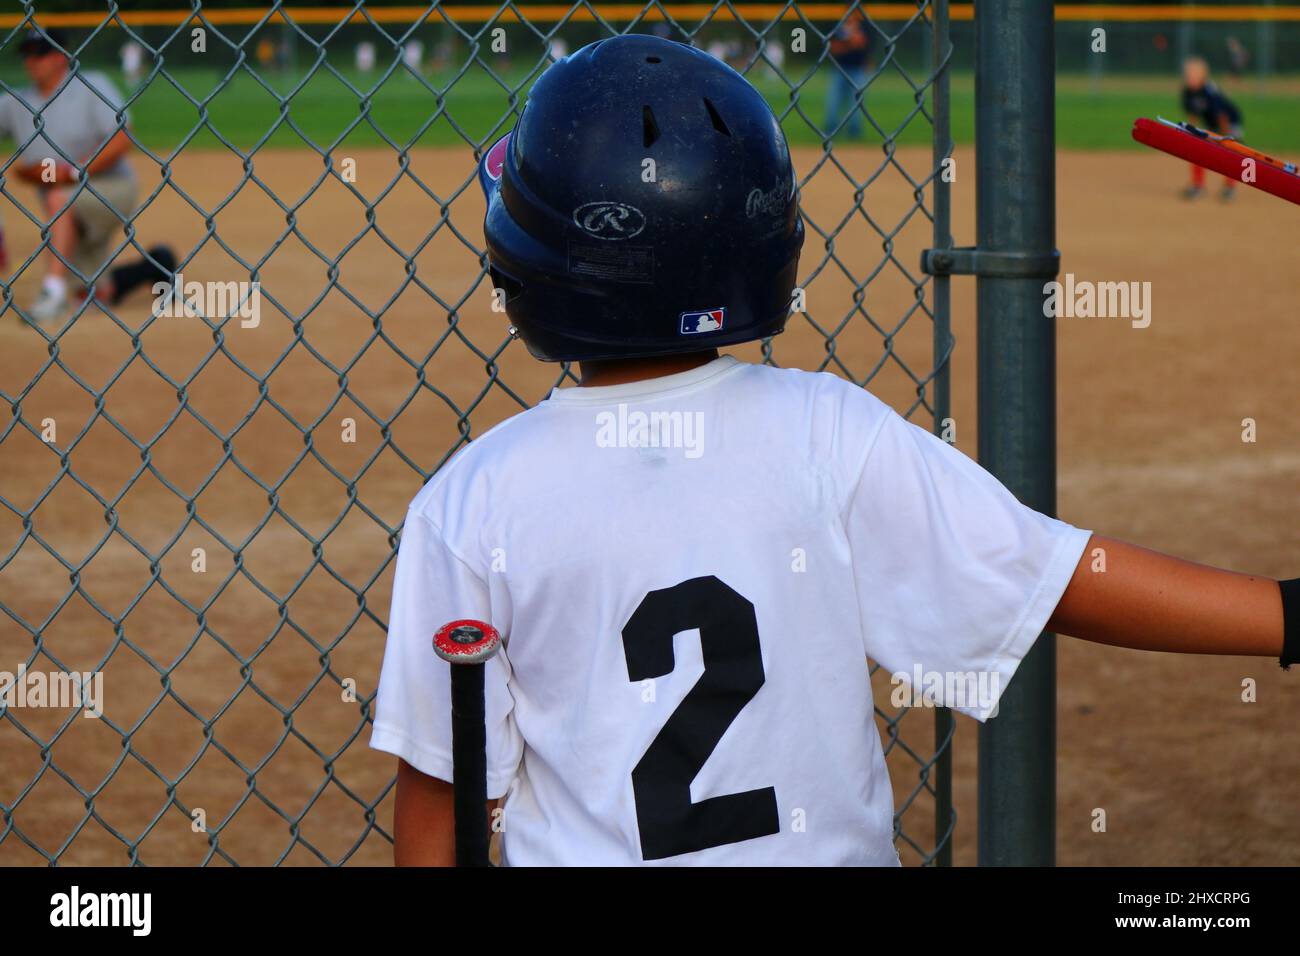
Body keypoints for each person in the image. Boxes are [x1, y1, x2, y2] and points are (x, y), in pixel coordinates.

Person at [371, 34, 1296, 866]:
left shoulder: (472, 504)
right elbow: (1058, 577)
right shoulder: (828, 432)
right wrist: (1288, 617)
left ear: (526, 265)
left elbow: (442, 822)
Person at [0, 29, 175, 325]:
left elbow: (121, 136)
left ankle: (51, 293)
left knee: (59, 197)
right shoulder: (16, 102)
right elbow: (36, 171)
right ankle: (157, 264)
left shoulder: (89, 85)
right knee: (93, 291)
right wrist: (37, 173)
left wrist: (72, 171)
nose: (32, 61)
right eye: (28, 54)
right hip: (63, 206)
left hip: (112, 187)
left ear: (61, 56)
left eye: (40, 53)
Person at [1180, 55, 1244, 201]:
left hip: (1230, 122)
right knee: (1196, 150)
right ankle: (1198, 186)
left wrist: (1225, 138)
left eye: (1194, 74)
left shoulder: (1209, 91)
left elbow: (1223, 117)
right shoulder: (1187, 92)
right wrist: (1191, 132)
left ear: (1203, 76)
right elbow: (1192, 115)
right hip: (1211, 124)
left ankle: (1230, 188)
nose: (1190, 77)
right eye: (1188, 74)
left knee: (1229, 153)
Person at [823, 6, 870, 140]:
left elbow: (863, 44)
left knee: (856, 102)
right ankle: (830, 130)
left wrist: (852, 41)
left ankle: (854, 132)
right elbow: (832, 48)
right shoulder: (838, 27)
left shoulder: (864, 25)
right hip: (839, 68)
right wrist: (849, 42)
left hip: (857, 69)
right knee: (834, 100)